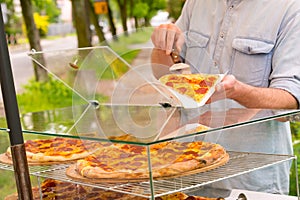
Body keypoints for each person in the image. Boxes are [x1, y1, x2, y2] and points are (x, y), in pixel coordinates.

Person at [151, 0, 300, 196]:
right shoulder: (196, 3)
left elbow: (291, 97)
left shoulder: (289, 7)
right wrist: (163, 44)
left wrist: (237, 91)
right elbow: (162, 71)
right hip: (189, 166)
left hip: (250, 176)